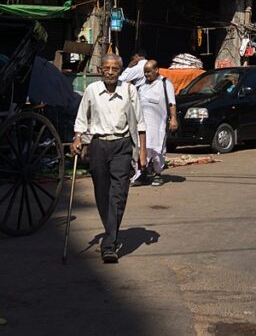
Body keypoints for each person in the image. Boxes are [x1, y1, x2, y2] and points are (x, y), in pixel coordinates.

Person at [71, 54, 147, 263]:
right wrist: (78, 138)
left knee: (119, 193)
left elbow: (140, 123)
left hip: (122, 145)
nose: (111, 72)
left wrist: (142, 152)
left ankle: (109, 244)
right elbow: (81, 119)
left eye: (115, 69)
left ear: (120, 70)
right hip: (98, 145)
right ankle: (111, 230)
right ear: (101, 69)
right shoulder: (92, 91)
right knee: (102, 193)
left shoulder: (129, 90)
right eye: (107, 68)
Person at [137, 60, 178, 187]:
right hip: (143, 124)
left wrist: (173, 119)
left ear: (156, 70)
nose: (146, 75)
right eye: (145, 72)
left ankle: (158, 174)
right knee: (143, 148)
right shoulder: (142, 85)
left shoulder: (165, 84)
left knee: (157, 149)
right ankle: (142, 173)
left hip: (159, 124)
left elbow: (171, 103)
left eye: (149, 72)